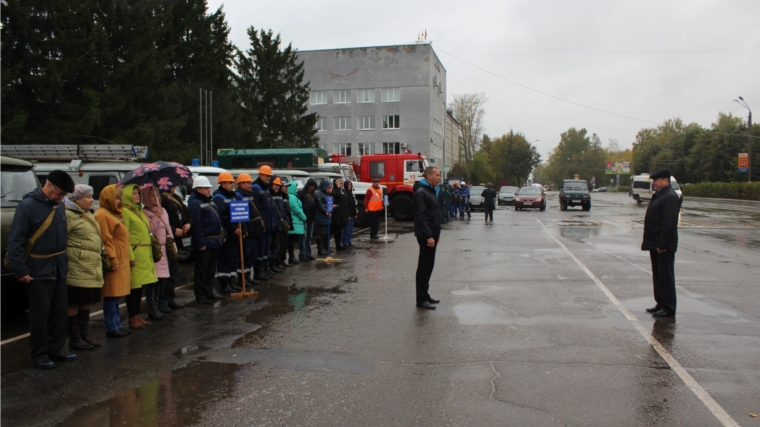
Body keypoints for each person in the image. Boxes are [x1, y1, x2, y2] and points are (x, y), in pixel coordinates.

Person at [7, 170, 77, 369]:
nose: (62, 198)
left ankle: (56, 348)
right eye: (60, 193)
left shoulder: (59, 205)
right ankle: (40, 353)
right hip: (37, 268)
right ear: (49, 186)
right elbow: (16, 241)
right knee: (39, 315)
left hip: (58, 266)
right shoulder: (28, 206)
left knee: (58, 312)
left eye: (64, 195)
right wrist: (21, 270)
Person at [64, 184, 105, 350]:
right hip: (76, 266)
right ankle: (74, 338)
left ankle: (84, 334)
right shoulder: (67, 216)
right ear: (77, 199)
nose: (92, 200)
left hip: (90, 266)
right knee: (74, 302)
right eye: (88, 197)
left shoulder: (88, 214)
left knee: (86, 301)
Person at [641, 168, 680, 317]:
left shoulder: (670, 197)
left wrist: (662, 245)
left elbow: (669, 223)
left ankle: (668, 307)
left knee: (666, 277)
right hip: (655, 243)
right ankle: (660, 303)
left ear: (665, 180)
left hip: (663, 245)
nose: (654, 183)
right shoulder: (660, 195)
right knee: (658, 276)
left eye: (656, 180)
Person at [95, 184, 131, 338]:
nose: (118, 201)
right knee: (111, 294)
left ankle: (116, 323)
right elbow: (106, 239)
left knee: (116, 295)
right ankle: (112, 326)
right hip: (115, 259)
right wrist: (113, 259)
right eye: (116, 198)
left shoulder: (113, 214)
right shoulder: (103, 215)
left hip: (120, 258)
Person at [121, 184, 158, 330]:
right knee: (133, 288)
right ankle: (132, 317)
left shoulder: (139, 211)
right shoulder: (125, 211)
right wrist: (130, 255)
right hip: (136, 253)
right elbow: (126, 236)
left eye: (138, 193)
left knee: (139, 288)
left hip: (145, 254)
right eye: (133, 193)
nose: (136, 196)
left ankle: (136, 315)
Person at [188, 176, 224, 304]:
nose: (209, 190)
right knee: (202, 271)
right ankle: (201, 295)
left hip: (214, 241)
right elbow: (196, 225)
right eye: (205, 188)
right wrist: (200, 243)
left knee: (210, 270)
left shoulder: (209, 201)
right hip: (205, 241)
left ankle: (209, 292)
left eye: (209, 188)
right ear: (198, 189)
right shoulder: (194, 203)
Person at [142, 185, 175, 319]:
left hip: (164, 249)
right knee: (153, 282)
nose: (156, 198)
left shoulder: (163, 210)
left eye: (157, 195)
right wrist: (155, 216)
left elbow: (168, 228)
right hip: (154, 250)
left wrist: (172, 244)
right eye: (151, 195)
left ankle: (157, 306)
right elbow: (149, 230)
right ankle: (152, 308)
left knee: (162, 280)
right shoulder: (144, 212)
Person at [413, 166, 443, 310]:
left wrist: (437, 235)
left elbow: (435, 215)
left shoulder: (431, 191)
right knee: (424, 267)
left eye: (439, 175)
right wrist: (429, 236)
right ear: (429, 176)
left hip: (432, 235)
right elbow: (421, 216)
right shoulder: (421, 192)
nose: (439, 177)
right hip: (426, 235)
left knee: (429, 266)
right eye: (437, 175)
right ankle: (421, 299)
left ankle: (425, 295)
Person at [159, 185, 191, 311]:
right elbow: (161, 220)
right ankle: (162, 301)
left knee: (173, 271)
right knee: (166, 272)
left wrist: (188, 223)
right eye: (173, 185)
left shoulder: (175, 197)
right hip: (168, 238)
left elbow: (186, 211)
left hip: (177, 238)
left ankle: (170, 299)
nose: (175, 187)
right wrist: (173, 229)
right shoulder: (161, 198)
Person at [213, 172, 244, 293]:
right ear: (223, 183)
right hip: (229, 233)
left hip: (235, 233)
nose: (233, 184)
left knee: (233, 259)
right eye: (230, 182)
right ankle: (224, 284)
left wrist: (242, 228)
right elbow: (223, 217)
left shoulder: (233, 196)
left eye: (232, 182)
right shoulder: (219, 198)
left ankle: (231, 281)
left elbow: (240, 214)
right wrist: (233, 229)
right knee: (225, 259)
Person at [235, 173, 264, 284]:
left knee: (252, 255)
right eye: (246, 183)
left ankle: (248, 276)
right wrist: (244, 229)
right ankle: (242, 278)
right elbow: (240, 216)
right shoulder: (238, 196)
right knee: (245, 255)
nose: (249, 185)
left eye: (250, 183)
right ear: (240, 184)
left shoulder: (250, 195)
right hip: (248, 230)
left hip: (255, 229)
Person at [251, 166, 279, 277]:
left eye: (269, 176)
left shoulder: (265, 188)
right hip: (262, 225)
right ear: (261, 175)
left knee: (266, 248)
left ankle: (264, 269)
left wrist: (273, 220)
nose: (268, 178)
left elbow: (270, 206)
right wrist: (260, 223)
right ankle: (258, 271)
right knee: (261, 249)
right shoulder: (256, 188)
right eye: (267, 176)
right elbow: (256, 208)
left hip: (268, 224)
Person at [297, 179, 321, 261]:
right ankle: (302, 254)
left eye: (314, 186)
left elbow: (318, 204)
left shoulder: (313, 194)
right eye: (311, 186)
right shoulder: (301, 193)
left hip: (311, 218)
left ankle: (308, 253)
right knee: (303, 237)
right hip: (304, 218)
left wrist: (325, 211)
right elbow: (298, 205)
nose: (312, 188)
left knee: (309, 237)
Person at [268, 177, 286, 269]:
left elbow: (282, 209)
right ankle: (271, 265)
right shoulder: (269, 195)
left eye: (278, 185)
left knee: (277, 246)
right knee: (271, 246)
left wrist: (285, 219)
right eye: (275, 185)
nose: (277, 187)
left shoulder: (279, 195)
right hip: (273, 224)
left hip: (279, 224)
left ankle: (276, 263)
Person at [287, 182, 307, 264]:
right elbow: (295, 208)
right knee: (291, 240)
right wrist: (304, 217)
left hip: (296, 221)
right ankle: (291, 257)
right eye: (295, 188)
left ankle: (292, 257)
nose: (297, 189)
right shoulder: (291, 197)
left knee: (292, 240)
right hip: (295, 221)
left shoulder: (293, 197)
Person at [278, 180, 294, 266]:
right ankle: (279, 261)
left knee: (284, 243)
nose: (286, 188)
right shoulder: (280, 196)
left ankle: (283, 260)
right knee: (280, 244)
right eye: (285, 186)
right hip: (282, 222)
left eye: (287, 187)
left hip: (286, 221)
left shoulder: (285, 196)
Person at [314, 180, 333, 255]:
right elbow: (319, 205)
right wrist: (328, 207)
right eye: (329, 187)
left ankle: (325, 248)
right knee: (320, 234)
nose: (330, 188)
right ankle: (320, 248)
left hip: (326, 217)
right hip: (320, 217)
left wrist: (331, 207)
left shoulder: (327, 195)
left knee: (324, 234)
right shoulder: (319, 194)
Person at [330, 178, 348, 251]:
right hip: (337, 214)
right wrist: (337, 188)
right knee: (337, 230)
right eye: (338, 183)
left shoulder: (343, 190)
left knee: (341, 229)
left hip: (343, 213)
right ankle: (338, 245)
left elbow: (346, 200)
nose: (340, 184)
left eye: (341, 183)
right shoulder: (334, 191)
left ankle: (340, 244)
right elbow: (336, 195)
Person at [342, 181, 358, 247]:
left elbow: (354, 204)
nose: (349, 186)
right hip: (347, 215)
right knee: (346, 229)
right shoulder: (345, 193)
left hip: (352, 214)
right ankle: (345, 242)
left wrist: (355, 213)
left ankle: (349, 241)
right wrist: (347, 215)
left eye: (350, 185)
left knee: (350, 229)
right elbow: (345, 205)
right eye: (348, 184)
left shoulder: (351, 193)